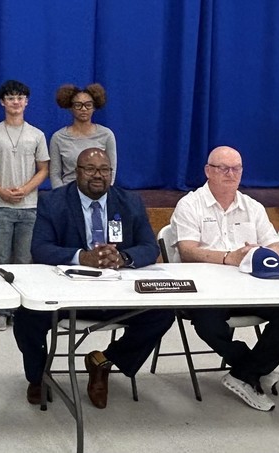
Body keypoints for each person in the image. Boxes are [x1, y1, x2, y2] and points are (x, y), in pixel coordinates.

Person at [13, 148, 172, 409]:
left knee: (162, 314)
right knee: (27, 316)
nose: (98, 175)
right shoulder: (54, 202)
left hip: (118, 294)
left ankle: (103, 361)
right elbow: (40, 248)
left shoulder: (129, 202)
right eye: (90, 169)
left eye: (104, 170)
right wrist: (81, 256)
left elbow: (149, 247)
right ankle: (38, 377)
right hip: (68, 295)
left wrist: (122, 257)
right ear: (77, 173)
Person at [171, 145, 279, 412]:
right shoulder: (190, 204)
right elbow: (187, 251)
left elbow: (277, 248)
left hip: (250, 288)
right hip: (206, 292)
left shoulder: (252, 207)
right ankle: (252, 366)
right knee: (207, 322)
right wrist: (228, 258)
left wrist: (257, 253)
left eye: (236, 168)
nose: (230, 174)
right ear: (208, 171)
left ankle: (245, 372)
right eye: (223, 168)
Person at [0, 80, 49, 331]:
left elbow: (44, 169)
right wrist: (0, 191)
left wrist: (26, 189)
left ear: (27, 102)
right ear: (2, 102)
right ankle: (0, 309)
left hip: (28, 206)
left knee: (24, 260)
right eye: (10, 98)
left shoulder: (37, 134)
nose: (16, 102)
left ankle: (22, 310)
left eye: (20, 98)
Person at [48, 83, 117, 188]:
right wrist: (61, 197)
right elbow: (54, 173)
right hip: (68, 194)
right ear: (70, 107)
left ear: (94, 107)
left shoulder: (106, 135)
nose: (84, 109)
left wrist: (104, 192)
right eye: (78, 105)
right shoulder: (58, 137)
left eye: (88, 105)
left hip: (97, 192)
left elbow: (112, 169)